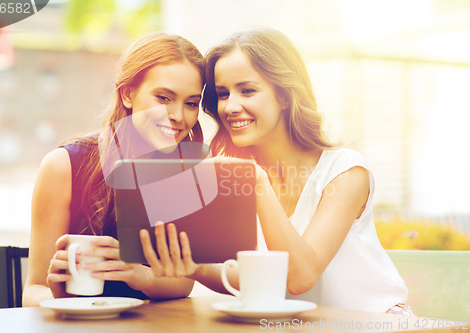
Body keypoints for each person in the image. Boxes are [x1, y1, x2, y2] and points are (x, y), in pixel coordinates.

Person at [140, 27, 414, 316]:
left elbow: (300, 276)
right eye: (223, 94)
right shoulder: (236, 179)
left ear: (285, 96)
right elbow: (254, 278)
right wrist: (194, 268)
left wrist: (257, 183)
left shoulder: (345, 172)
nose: (230, 106)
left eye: (247, 90)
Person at [22, 32, 207, 307]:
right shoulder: (63, 167)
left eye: (191, 103)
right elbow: (33, 291)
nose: (179, 116)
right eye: (164, 98)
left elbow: (183, 283)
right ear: (128, 94)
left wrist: (139, 275)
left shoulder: (184, 172)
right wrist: (59, 296)